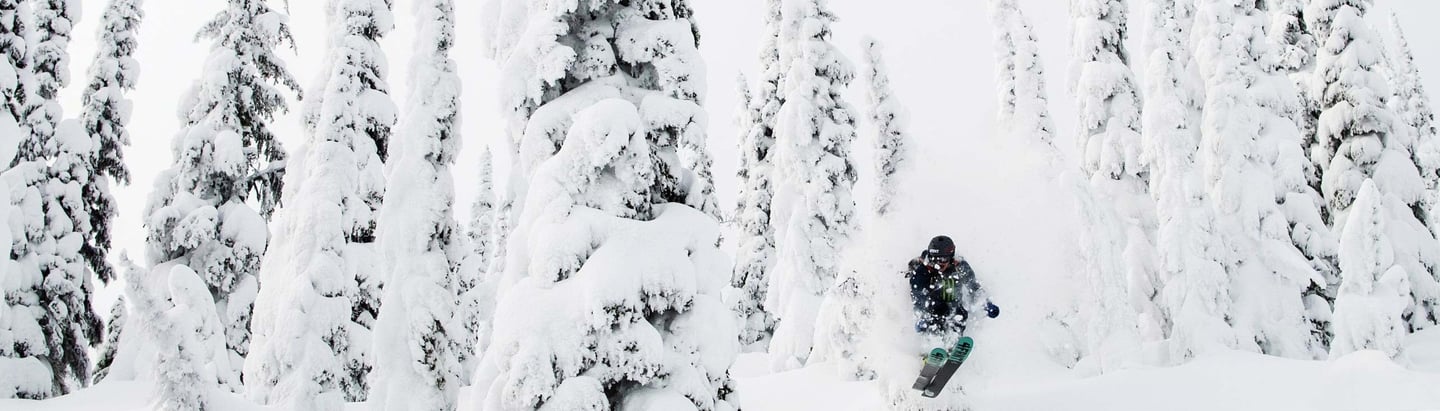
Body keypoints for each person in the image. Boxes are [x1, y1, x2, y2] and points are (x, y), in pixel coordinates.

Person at [907, 235, 998, 337]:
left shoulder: (960, 267)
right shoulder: (923, 270)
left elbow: (973, 287)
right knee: (937, 307)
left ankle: (954, 341)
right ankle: (931, 342)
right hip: (931, 307)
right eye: (935, 259)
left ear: (950, 257)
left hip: (954, 303)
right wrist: (922, 317)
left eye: (943, 259)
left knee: (960, 314)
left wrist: (985, 304)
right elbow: (917, 296)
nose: (939, 263)